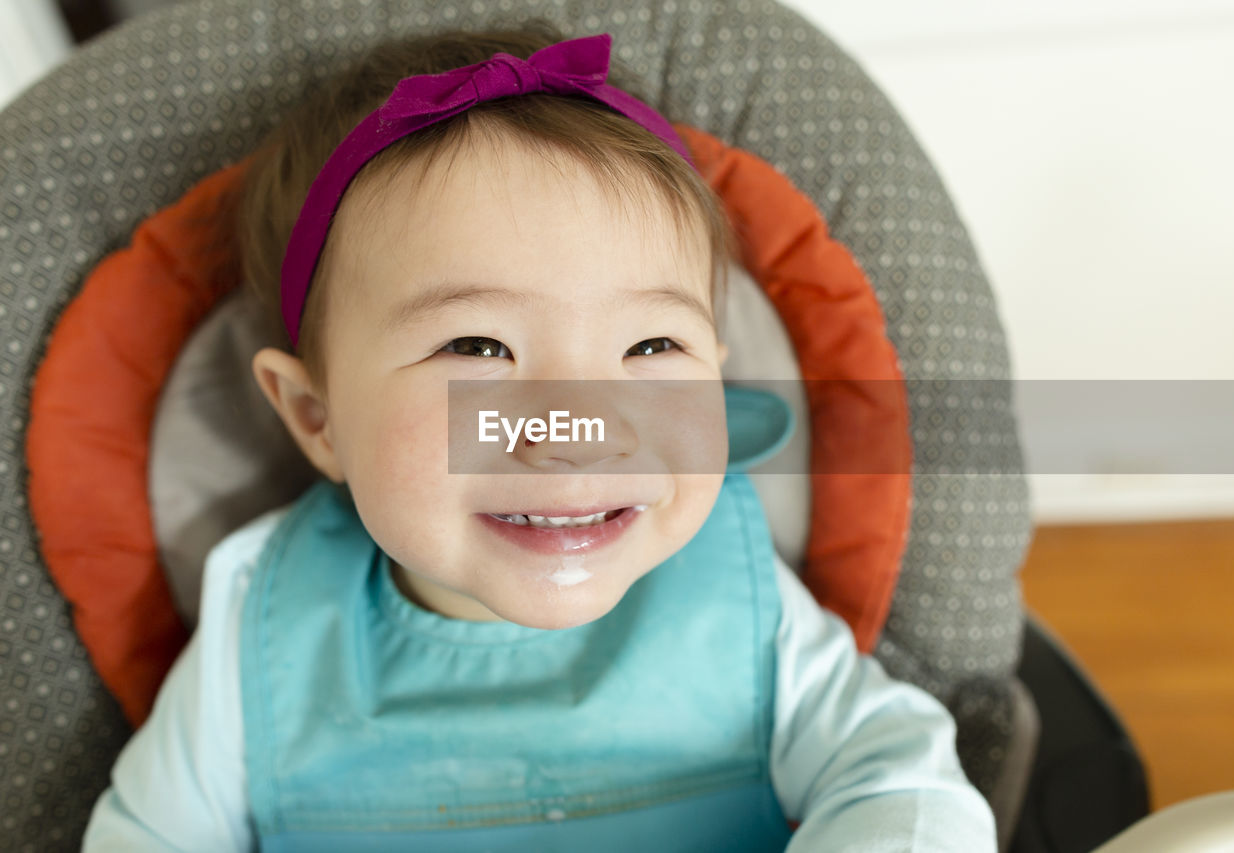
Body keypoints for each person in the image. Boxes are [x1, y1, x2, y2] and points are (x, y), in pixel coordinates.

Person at [83, 24, 997, 852]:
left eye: (650, 345)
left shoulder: (739, 594)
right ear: (316, 418)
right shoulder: (264, 621)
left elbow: (903, 777)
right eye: (477, 346)